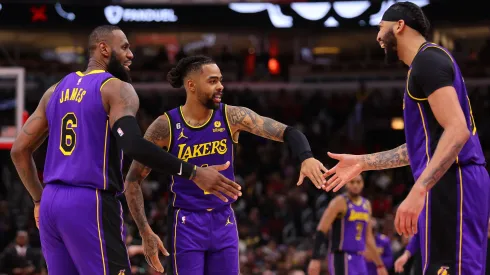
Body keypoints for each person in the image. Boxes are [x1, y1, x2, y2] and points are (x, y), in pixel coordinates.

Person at [10, 26, 241, 275]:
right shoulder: (115, 88)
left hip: (51, 204)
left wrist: (37, 199)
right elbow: (132, 145)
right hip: (90, 202)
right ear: (104, 48)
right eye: (125, 47)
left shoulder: (53, 91)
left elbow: (18, 151)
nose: (131, 54)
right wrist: (194, 172)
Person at [323, 2, 490, 274]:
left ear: (399, 25)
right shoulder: (423, 66)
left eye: (380, 28)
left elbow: (457, 130)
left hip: (455, 180)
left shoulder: (428, 61)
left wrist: (419, 188)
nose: (377, 37)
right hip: (448, 180)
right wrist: (364, 162)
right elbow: (421, 147)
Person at [124, 55, 329, 274]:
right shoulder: (166, 126)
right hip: (186, 222)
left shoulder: (231, 116)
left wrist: (306, 156)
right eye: (213, 81)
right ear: (191, 85)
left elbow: (288, 131)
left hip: (224, 219)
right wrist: (145, 231)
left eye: (221, 80)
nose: (221, 86)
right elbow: (132, 180)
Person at [307, 175, 388, 275]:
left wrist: (380, 265)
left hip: (359, 257)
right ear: (346, 184)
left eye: (358, 182)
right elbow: (321, 230)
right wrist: (315, 258)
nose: (355, 185)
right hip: (341, 256)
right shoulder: (339, 202)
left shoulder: (366, 204)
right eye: (352, 182)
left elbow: (368, 238)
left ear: (363, 184)